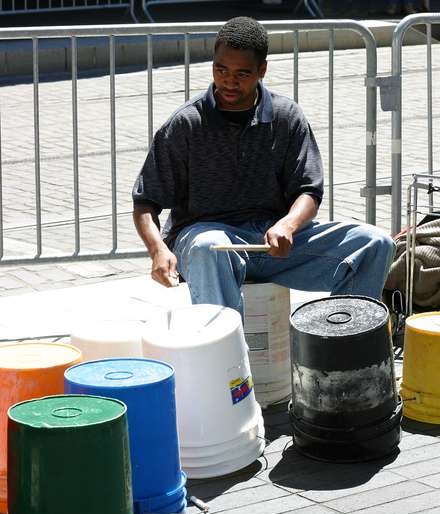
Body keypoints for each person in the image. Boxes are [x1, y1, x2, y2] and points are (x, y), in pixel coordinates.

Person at [133, 16, 395, 319]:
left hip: (273, 243)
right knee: (209, 244)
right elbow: (145, 202)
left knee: (375, 243)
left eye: (242, 73)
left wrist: (288, 225)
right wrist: (157, 250)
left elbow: (309, 190)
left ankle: (343, 351)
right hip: (209, 244)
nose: (229, 81)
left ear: (262, 70)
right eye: (221, 69)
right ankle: (228, 363)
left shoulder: (287, 116)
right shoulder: (186, 123)